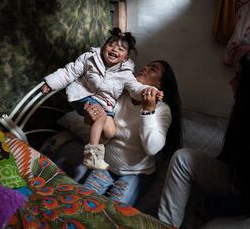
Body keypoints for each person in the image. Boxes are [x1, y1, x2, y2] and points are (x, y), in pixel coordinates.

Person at [158, 49, 250, 228]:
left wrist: (211, 206)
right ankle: (163, 225)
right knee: (183, 159)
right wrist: (209, 188)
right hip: (240, 180)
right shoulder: (246, 112)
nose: (231, 83)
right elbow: (228, 158)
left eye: (238, 77)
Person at [41, 28, 161, 170]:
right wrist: (50, 83)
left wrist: (149, 90)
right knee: (100, 117)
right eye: (111, 45)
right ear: (103, 46)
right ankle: (92, 156)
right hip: (84, 95)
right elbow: (70, 71)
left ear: (126, 57)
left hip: (104, 103)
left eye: (121, 48)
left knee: (110, 131)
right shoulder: (90, 58)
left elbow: (135, 88)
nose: (115, 49)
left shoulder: (126, 73)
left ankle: (86, 127)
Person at [76, 60, 182, 206]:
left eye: (152, 69)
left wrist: (148, 110)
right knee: (82, 201)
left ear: (159, 85)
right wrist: (91, 119)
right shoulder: (120, 95)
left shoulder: (162, 109)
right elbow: (106, 133)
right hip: (107, 165)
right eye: (146, 65)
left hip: (137, 173)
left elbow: (152, 149)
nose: (145, 68)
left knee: (115, 210)